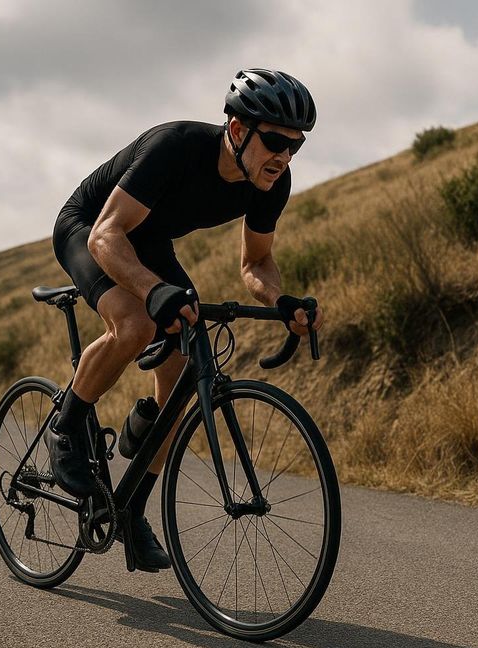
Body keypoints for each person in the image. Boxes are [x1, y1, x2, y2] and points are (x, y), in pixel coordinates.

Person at [47, 68, 325, 572]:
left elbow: (256, 263)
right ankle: (65, 428)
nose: (283, 157)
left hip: (148, 242)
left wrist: (281, 301)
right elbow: (106, 237)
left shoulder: (269, 183)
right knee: (136, 324)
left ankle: (131, 508)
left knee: (185, 365)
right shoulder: (175, 147)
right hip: (91, 227)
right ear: (238, 130)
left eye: (295, 147)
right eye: (274, 141)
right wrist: (153, 292)